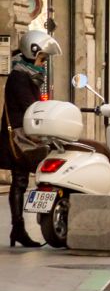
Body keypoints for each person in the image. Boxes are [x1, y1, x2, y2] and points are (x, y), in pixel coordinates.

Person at [2, 30, 61, 248]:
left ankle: (18, 230)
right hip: (20, 136)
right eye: (43, 58)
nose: (44, 63)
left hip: (27, 134)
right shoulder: (19, 76)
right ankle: (18, 229)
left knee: (20, 181)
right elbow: (30, 107)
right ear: (32, 52)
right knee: (19, 181)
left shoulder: (28, 74)